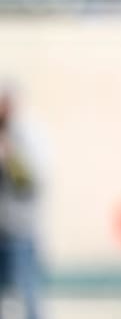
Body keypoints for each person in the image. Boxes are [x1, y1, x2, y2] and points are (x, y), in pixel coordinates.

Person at [0, 84, 45, 319]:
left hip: (20, 230)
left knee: (28, 293)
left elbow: (33, 180)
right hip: (3, 229)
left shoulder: (26, 134)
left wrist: (10, 155)